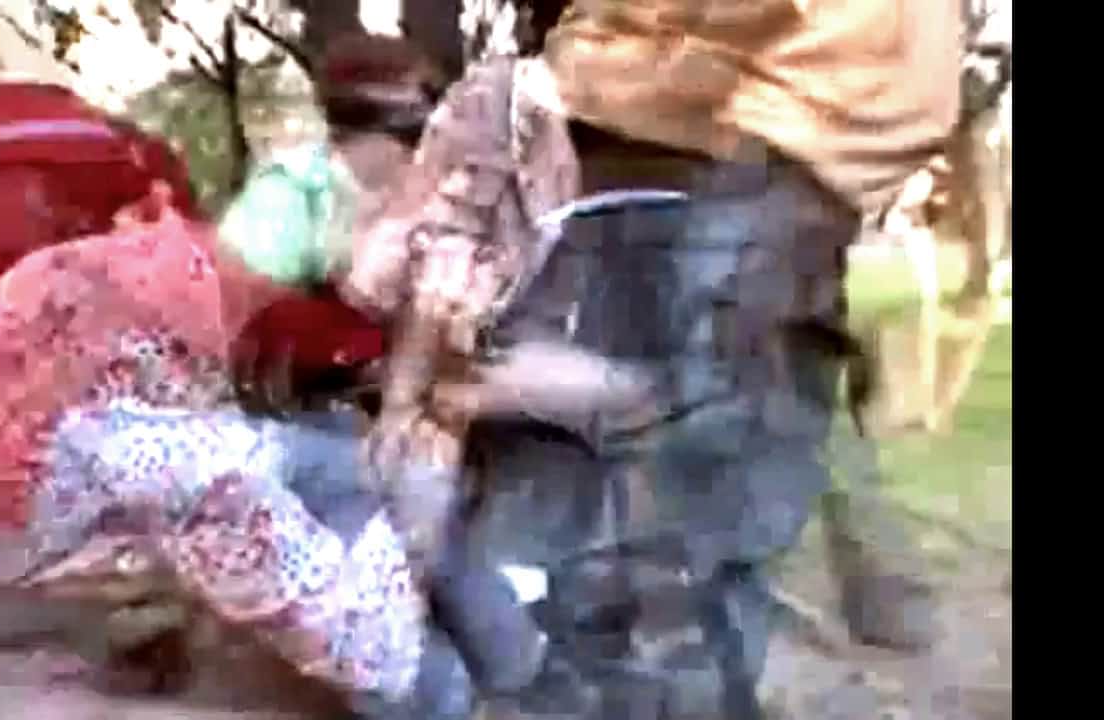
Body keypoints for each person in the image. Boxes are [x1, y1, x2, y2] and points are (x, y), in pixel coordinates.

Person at [339, 2, 965, 718]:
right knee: (664, 552)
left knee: (677, 548)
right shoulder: (525, 117)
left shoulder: (525, 114)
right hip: (751, 155)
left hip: (734, 155)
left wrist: (482, 392)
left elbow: (426, 281)